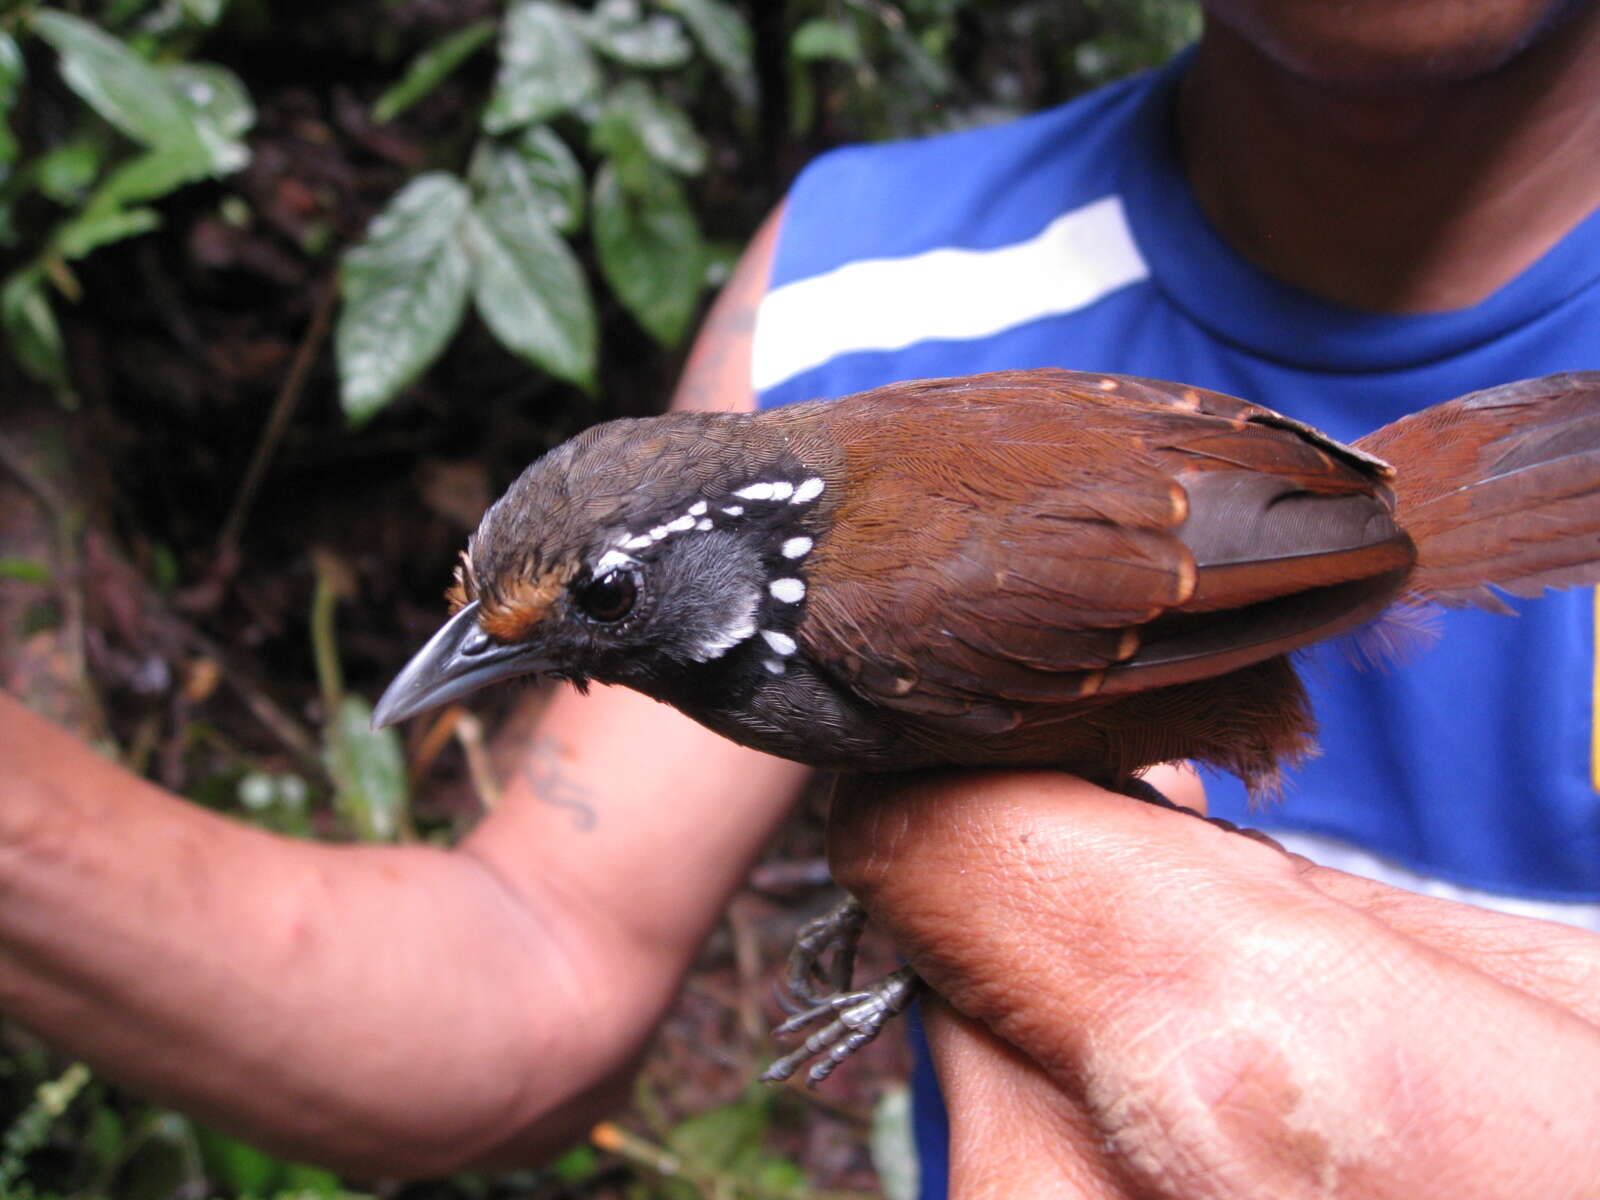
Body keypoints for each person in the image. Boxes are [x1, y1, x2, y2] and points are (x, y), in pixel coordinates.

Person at [3, 0, 1599, 1194]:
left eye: (608, 598)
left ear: (717, 544)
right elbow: (529, 950)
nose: (574, 640)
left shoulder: (874, 607)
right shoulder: (852, 290)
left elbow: (1264, 595)